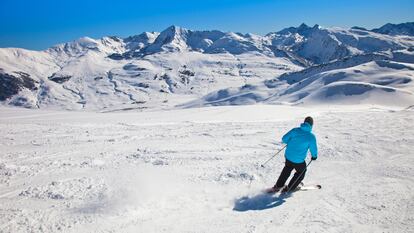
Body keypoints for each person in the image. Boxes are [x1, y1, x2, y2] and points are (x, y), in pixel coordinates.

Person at [268, 116, 318, 193]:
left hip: (288, 156)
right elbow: (313, 149)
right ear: (311, 125)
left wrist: (290, 141)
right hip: (298, 160)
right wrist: (314, 156)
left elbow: (284, 139)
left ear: (304, 122)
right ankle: (291, 187)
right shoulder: (311, 137)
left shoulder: (295, 130)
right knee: (301, 172)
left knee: (287, 169)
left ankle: (278, 186)